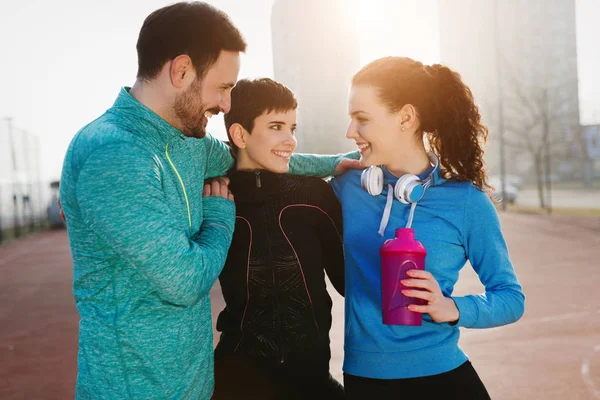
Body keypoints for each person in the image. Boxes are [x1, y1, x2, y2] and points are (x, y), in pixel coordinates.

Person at [59, 3, 358, 399]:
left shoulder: (190, 143)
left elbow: (253, 156)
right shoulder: (113, 153)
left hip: (196, 384)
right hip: (133, 389)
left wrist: (336, 163)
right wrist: (219, 216)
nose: (227, 104)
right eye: (224, 87)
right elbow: (185, 282)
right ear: (181, 71)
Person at [330, 57, 526, 399]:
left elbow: (510, 297)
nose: (350, 131)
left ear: (406, 117)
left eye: (362, 119)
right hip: (364, 380)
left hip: (444, 379)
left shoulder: (465, 202)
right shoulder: (348, 186)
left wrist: (452, 308)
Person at [211, 78, 346, 400]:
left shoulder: (315, 195)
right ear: (240, 134)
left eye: (293, 128)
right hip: (236, 383)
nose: (290, 140)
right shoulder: (214, 199)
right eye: (276, 126)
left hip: (311, 381)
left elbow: (350, 282)